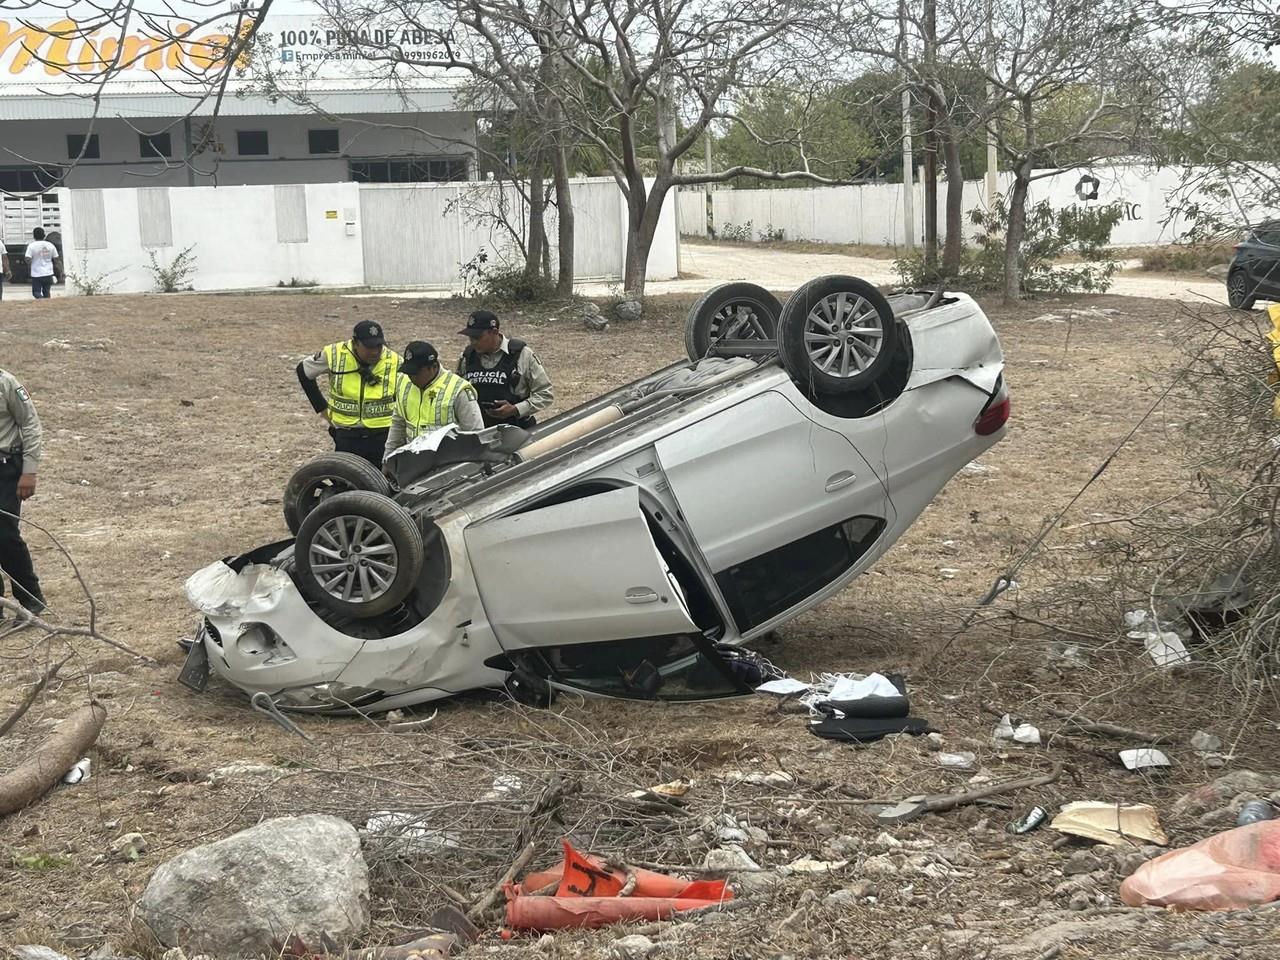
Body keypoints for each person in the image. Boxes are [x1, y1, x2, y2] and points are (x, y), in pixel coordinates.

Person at [296, 320, 402, 467]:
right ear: (355, 343)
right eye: (369, 347)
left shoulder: (396, 361)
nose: (375, 351)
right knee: (346, 480)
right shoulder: (334, 354)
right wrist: (322, 408)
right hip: (347, 434)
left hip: (383, 435)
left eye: (379, 346)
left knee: (383, 483)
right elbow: (304, 371)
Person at [383, 341, 484, 461]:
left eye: (416, 373)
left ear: (434, 367)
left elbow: (475, 433)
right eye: (409, 372)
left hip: (448, 465)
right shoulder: (404, 382)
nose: (411, 377)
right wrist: (388, 457)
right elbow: (398, 423)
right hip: (413, 463)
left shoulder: (458, 390)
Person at [456, 310, 553, 429]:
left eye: (477, 337)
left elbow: (545, 394)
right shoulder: (467, 357)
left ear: (494, 332)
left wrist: (516, 409)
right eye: (471, 337)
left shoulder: (522, 354)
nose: (473, 342)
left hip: (517, 430)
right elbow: (456, 393)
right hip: (479, 431)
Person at [0, 368, 46, 615]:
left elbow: (30, 424)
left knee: (4, 535)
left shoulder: (6, 383)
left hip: (5, 469)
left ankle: (30, 598)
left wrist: (30, 471)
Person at [24, 228, 62, 300]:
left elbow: (27, 258)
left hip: (36, 273)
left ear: (34, 236)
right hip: (48, 273)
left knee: (36, 292)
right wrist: (61, 271)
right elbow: (57, 260)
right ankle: (46, 304)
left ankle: (41, 300)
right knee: (46, 292)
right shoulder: (50, 245)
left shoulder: (31, 246)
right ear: (44, 235)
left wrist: (30, 265)